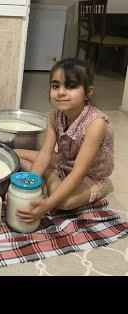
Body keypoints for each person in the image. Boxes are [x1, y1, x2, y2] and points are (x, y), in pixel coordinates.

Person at [14, 58, 114, 225]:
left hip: (88, 175)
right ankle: (50, 178)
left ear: (88, 92)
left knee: (62, 203)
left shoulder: (96, 124)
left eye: (71, 86)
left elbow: (79, 172)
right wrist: (28, 187)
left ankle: (99, 185)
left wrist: (47, 204)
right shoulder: (54, 115)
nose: (61, 92)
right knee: (15, 154)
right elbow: (46, 153)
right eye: (55, 86)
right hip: (63, 161)